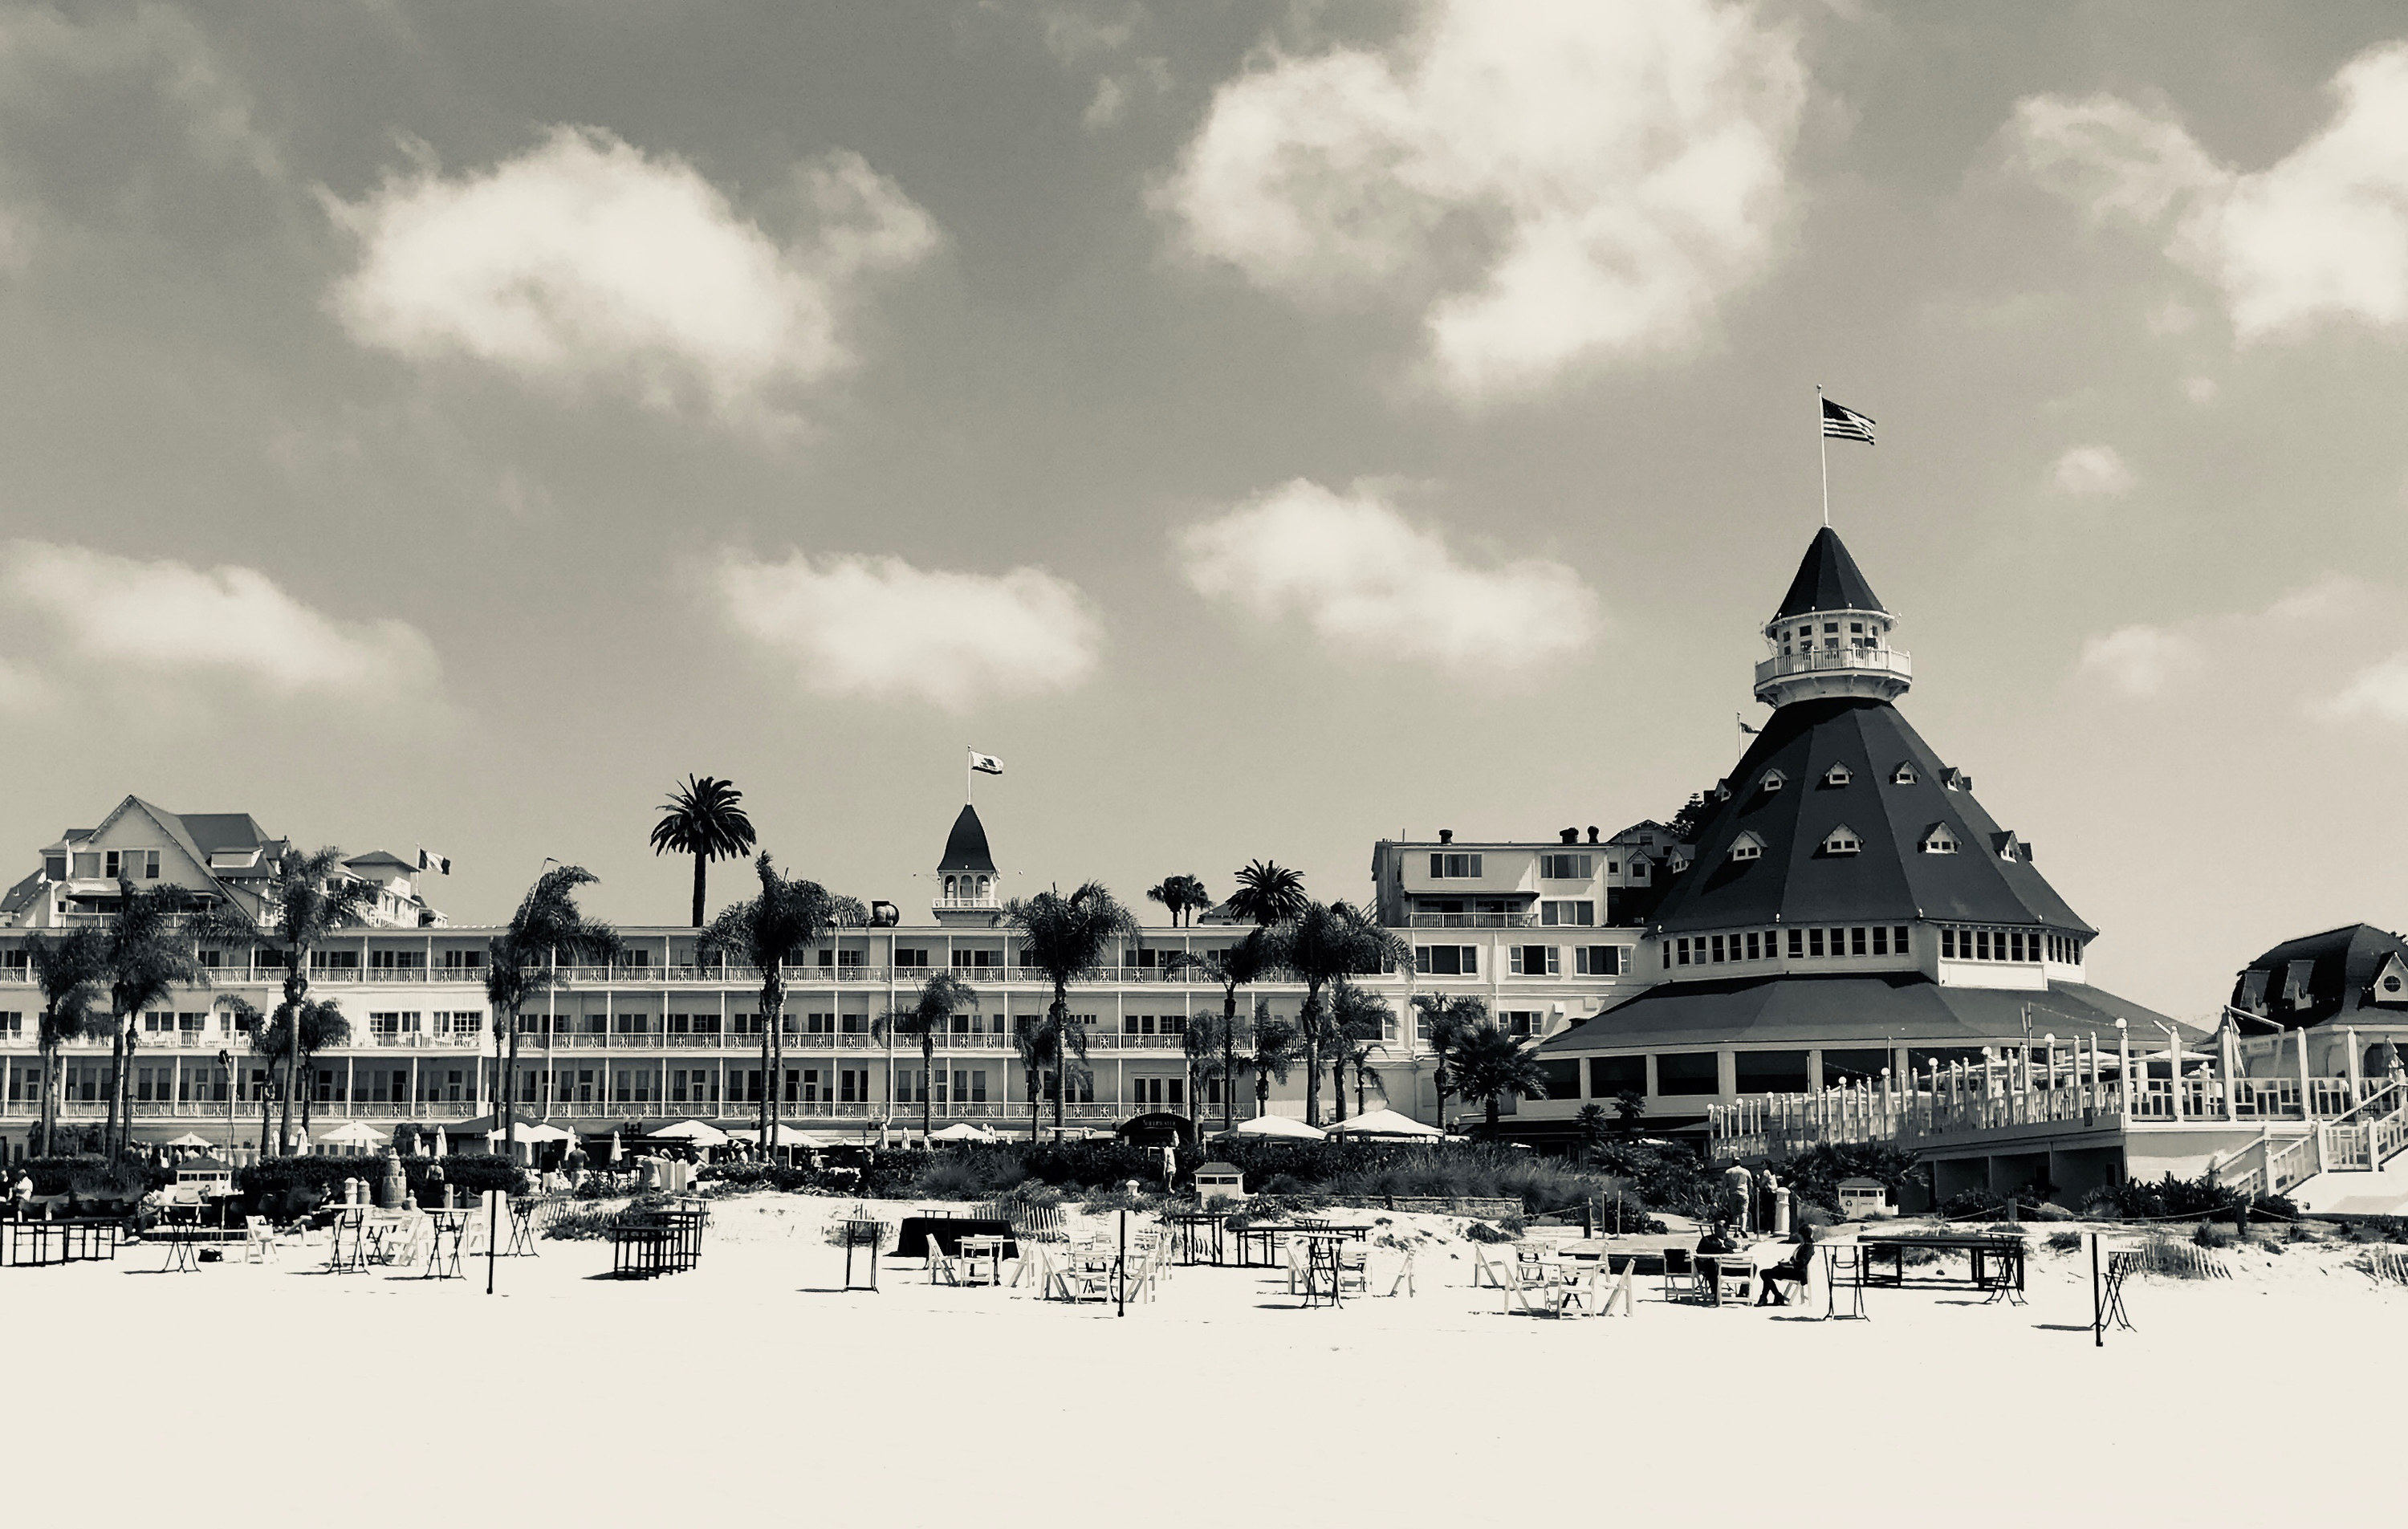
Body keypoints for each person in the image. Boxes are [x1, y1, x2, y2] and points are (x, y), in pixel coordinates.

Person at [1755, 1223, 1817, 1307]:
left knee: (1765, 1273)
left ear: (1803, 1235)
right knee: (1766, 1273)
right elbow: (1794, 1259)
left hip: (1797, 1273)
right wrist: (1786, 1264)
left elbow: (1802, 1262)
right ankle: (1775, 1296)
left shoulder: (1809, 1247)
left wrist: (1791, 1264)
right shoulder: (1803, 1245)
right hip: (1793, 1270)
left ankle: (1768, 1297)